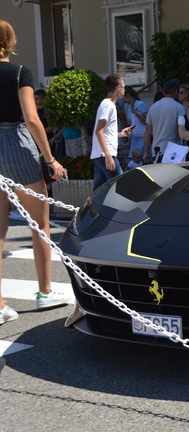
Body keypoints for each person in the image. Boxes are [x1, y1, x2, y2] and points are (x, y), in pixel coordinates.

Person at [0, 18, 72, 322]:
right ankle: (44, 292)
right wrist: (51, 159)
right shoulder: (19, 72)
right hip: (15, 143)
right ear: (11, 41)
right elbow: (31, 118)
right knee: (39, 224)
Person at [91, 74, 134, 191]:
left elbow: (104, 132)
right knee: (121, 186)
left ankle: (92, 209)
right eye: (124, 86)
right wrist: (108, 155)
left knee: (99, 190)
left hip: (101, 155)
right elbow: (99, 131)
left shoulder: (108, 105)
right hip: (105, 154)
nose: (125, 89)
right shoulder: (108, 105)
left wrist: (121, 134)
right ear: (118, 87)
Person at [144, 79, 183, 160]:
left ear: (163, 92)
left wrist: (146, 151)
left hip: (157, 150)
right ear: (176, 91)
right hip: (175, 151)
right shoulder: (179, 107)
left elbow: (148, 131)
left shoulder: (153, 107)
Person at [122, 86, 148, 161]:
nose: (124, 100)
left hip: (143, 138)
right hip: (134, 138)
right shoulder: (129, 107)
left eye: (124, 98)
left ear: (128, 95)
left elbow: (148, 121)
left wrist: (137, 114)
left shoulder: (140, 105)